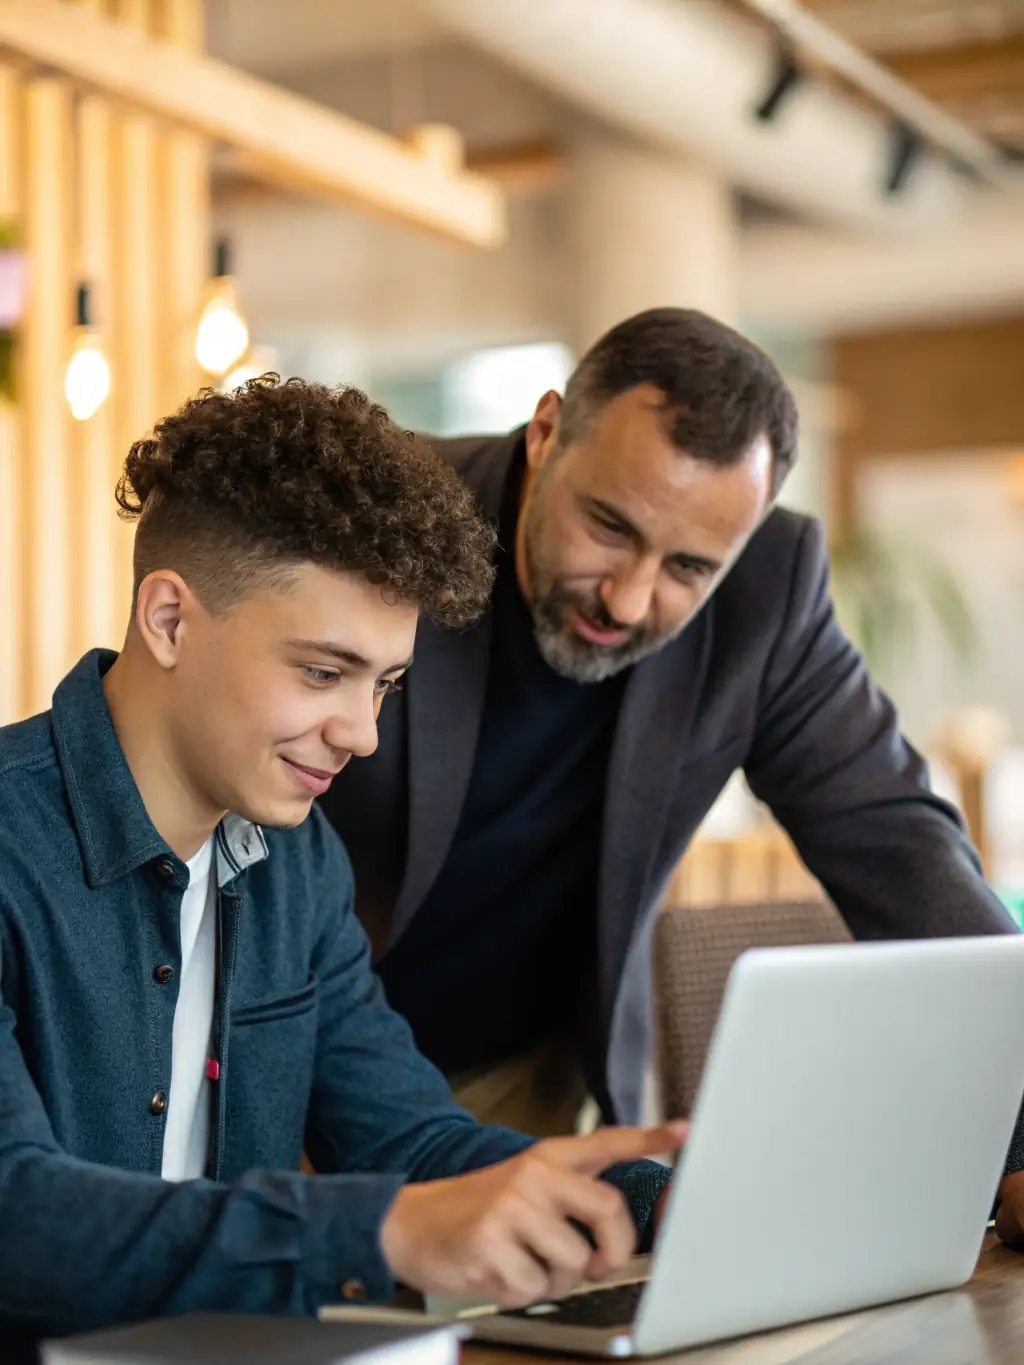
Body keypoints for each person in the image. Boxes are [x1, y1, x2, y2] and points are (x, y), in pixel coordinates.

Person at [0, 378, 683, 1343]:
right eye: (324, 672)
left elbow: (409, 1137)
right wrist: (383, 1229)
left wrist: (654, 1194)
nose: (361, 734)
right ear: (169, 619)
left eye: (386, 685)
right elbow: (17, 1213)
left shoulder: (298, 859)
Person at [320, 307, 1024, 1241]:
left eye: (690, 565)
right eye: (609, 525)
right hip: (304, 1044)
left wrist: (1018, 1133)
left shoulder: (770, 591)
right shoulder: (386, 513)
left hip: (519, 1083)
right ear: (545, 432)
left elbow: (901, 842)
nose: (629, 597)